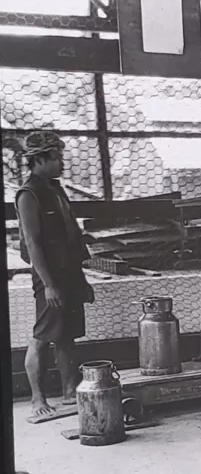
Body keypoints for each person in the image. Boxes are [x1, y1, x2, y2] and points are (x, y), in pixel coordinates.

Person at [15, 131, 95, 419]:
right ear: (40, 159)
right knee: (42, 336)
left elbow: (72, 235)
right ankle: (37, 400)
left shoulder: (56, 189)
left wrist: (82, 279)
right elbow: (33, 243)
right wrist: (48, 285)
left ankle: (71, 392)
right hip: (49, 276)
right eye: (57, 157)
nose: (62, 162)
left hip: (69, 272)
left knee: (66, 336)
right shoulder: (29, 194)